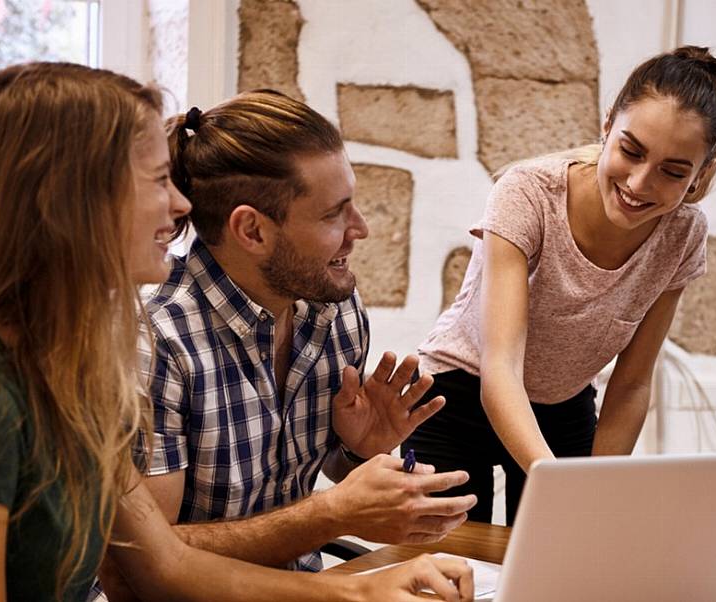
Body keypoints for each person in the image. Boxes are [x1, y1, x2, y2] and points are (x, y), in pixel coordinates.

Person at [0, 61, 472, 601]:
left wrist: (363, 590)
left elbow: (167, 562)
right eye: (159, 181)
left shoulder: (75, 360)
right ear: (74, 200)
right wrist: (332, 525)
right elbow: (133, 579)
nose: (182, 205)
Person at [136, 90, 477, 573]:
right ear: (252, 231)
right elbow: (146, 565)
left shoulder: (332, 310)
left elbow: (326, 473)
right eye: (333, 213)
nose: (359, 229)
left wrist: (361, 450)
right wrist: (327, 516)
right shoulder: (156, 342)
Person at [405, 45, 716, 523]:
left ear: (701, 172)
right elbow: (500, 367)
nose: (640, 183)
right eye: (631, 151)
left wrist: (594, 492)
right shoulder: (527, 193)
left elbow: (632, 383)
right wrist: (561, 485)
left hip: (563, 404)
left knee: (562, 563)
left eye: (673, 171)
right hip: (456, 392)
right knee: (448, 571)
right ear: (607, 126)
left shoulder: (683, 234)